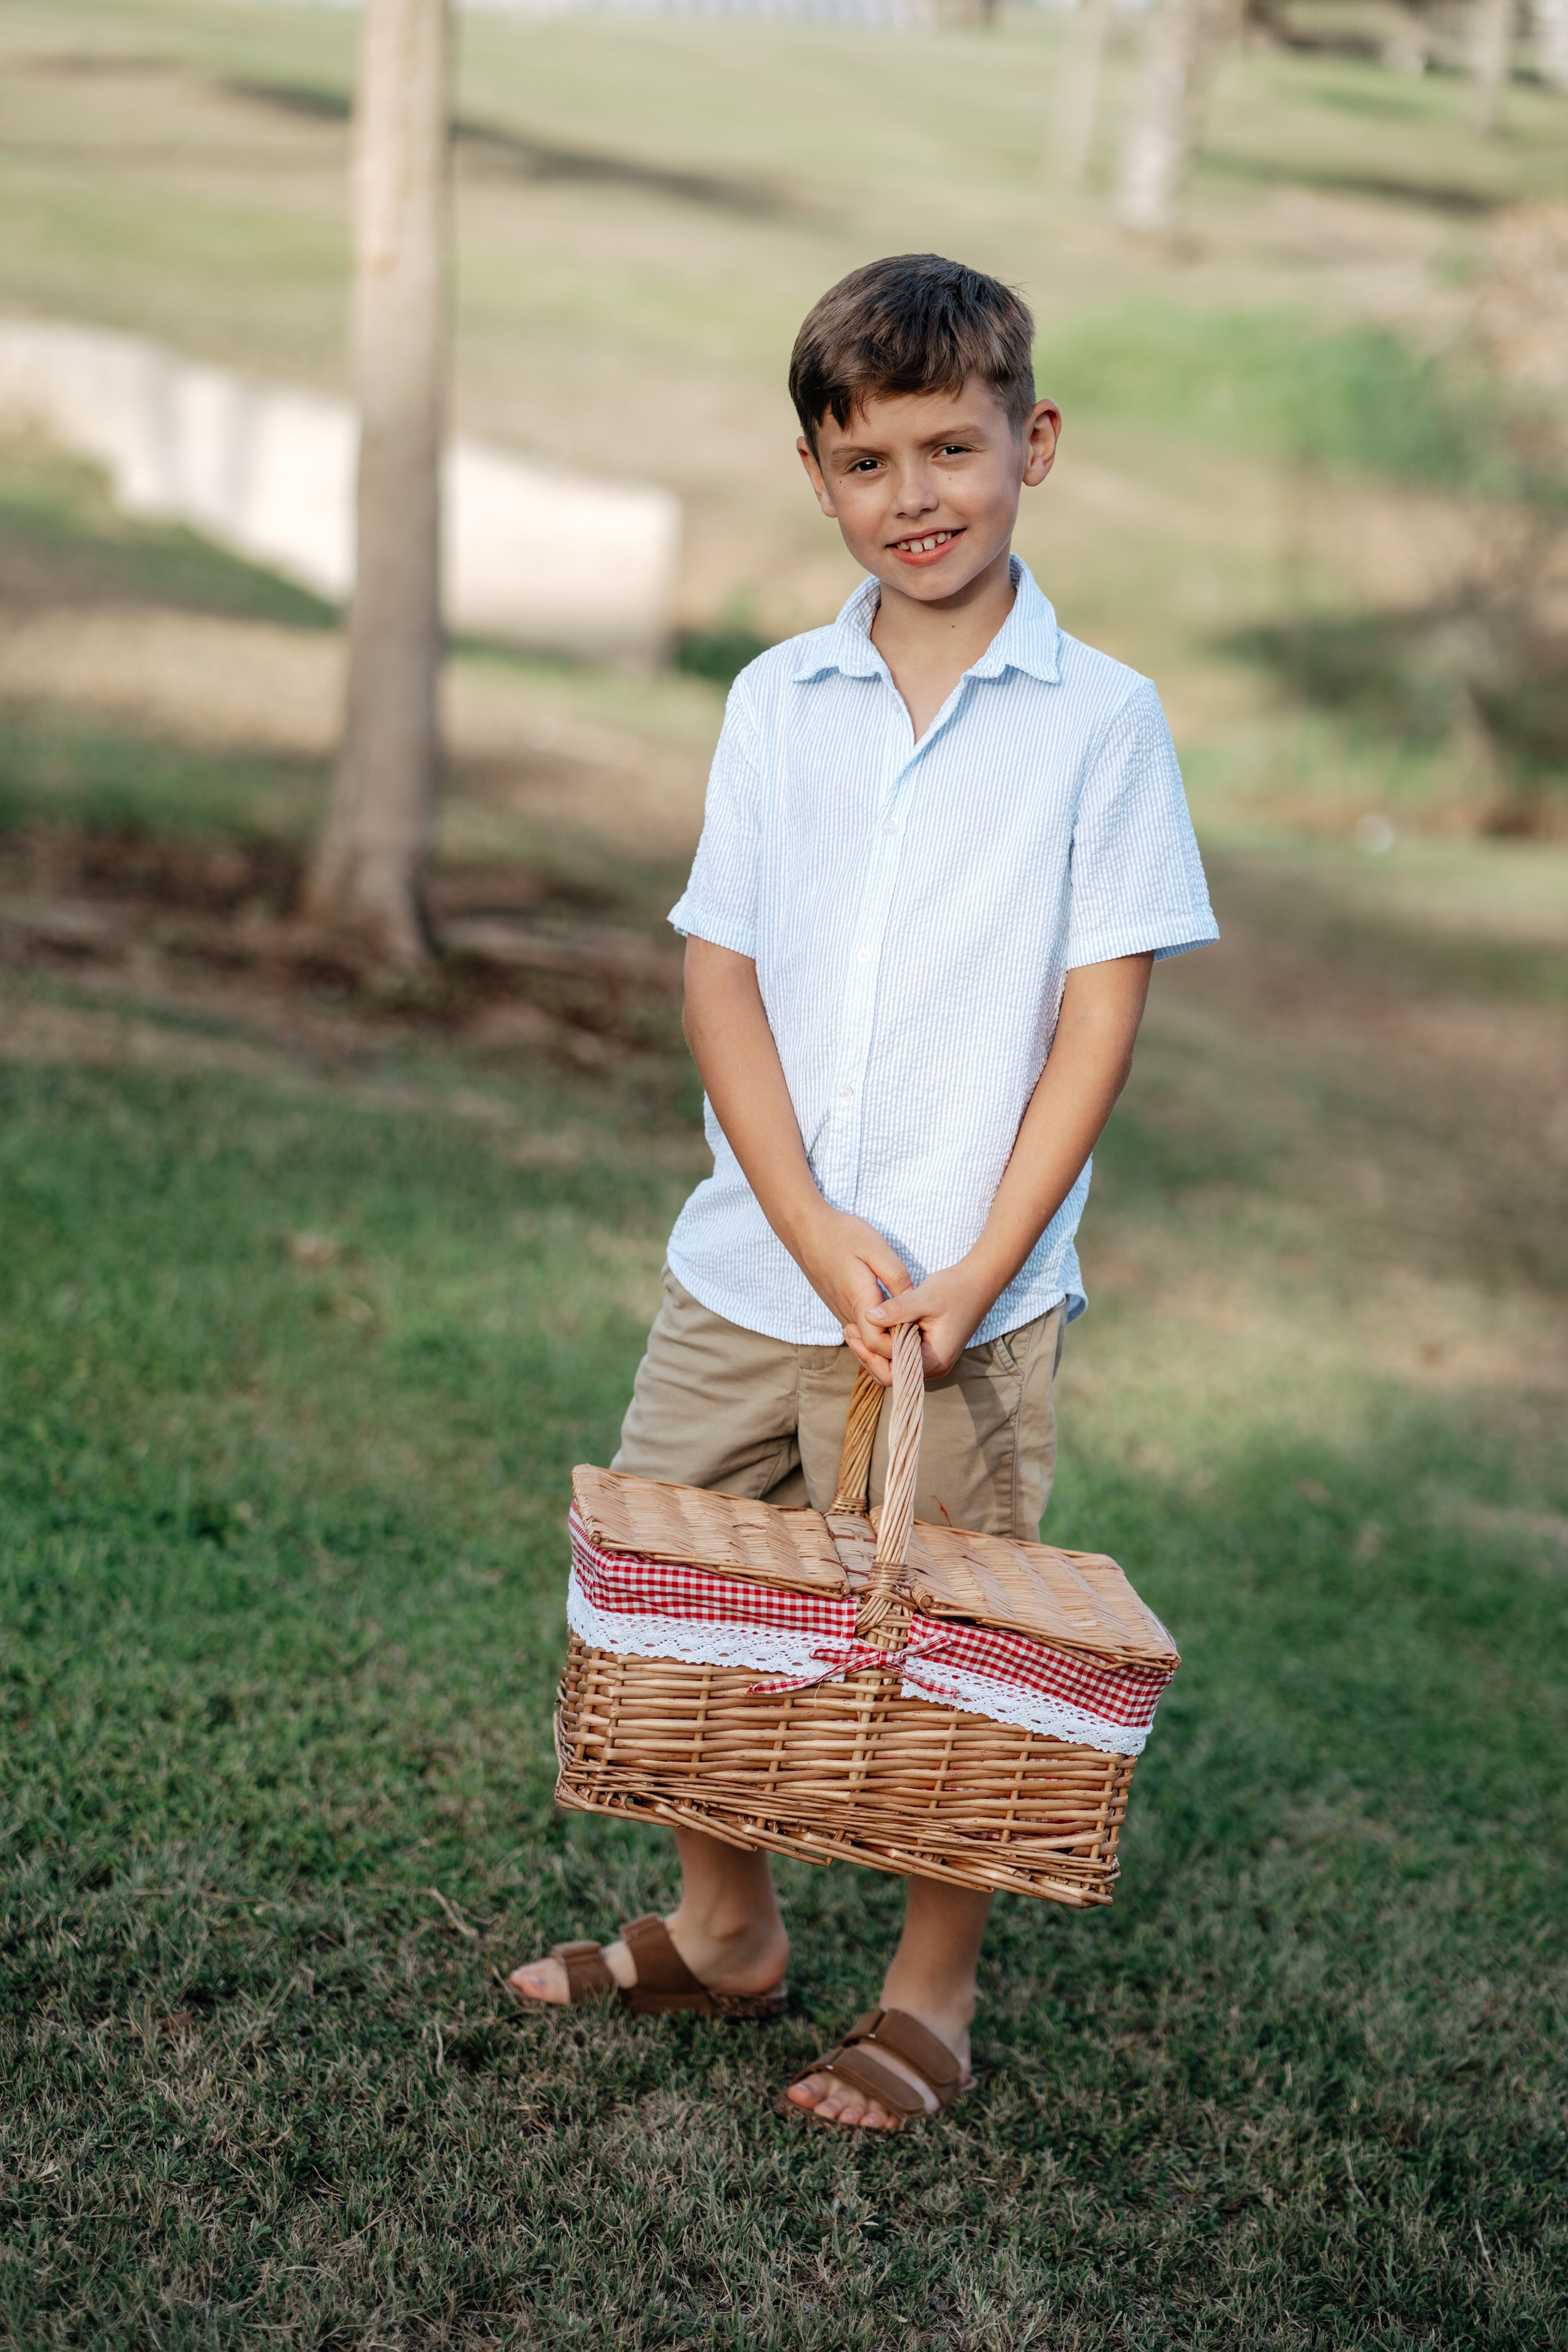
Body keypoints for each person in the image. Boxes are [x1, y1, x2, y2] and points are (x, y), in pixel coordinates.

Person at [508, 252, 1217, 2130]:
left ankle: (932, 1994)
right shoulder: (778, 700)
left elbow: (1097, 1022)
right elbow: (719, 974)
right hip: (754, 1264)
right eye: (865, 460)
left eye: (950, 448)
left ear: (1032, 444)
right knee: (660, 1603)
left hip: (968, 1306)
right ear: (819, 479)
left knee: (957, 1660)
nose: (914, 497)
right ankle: (725, 1927)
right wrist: (812, 1225)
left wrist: (978, 1266)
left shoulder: (1104, 722)